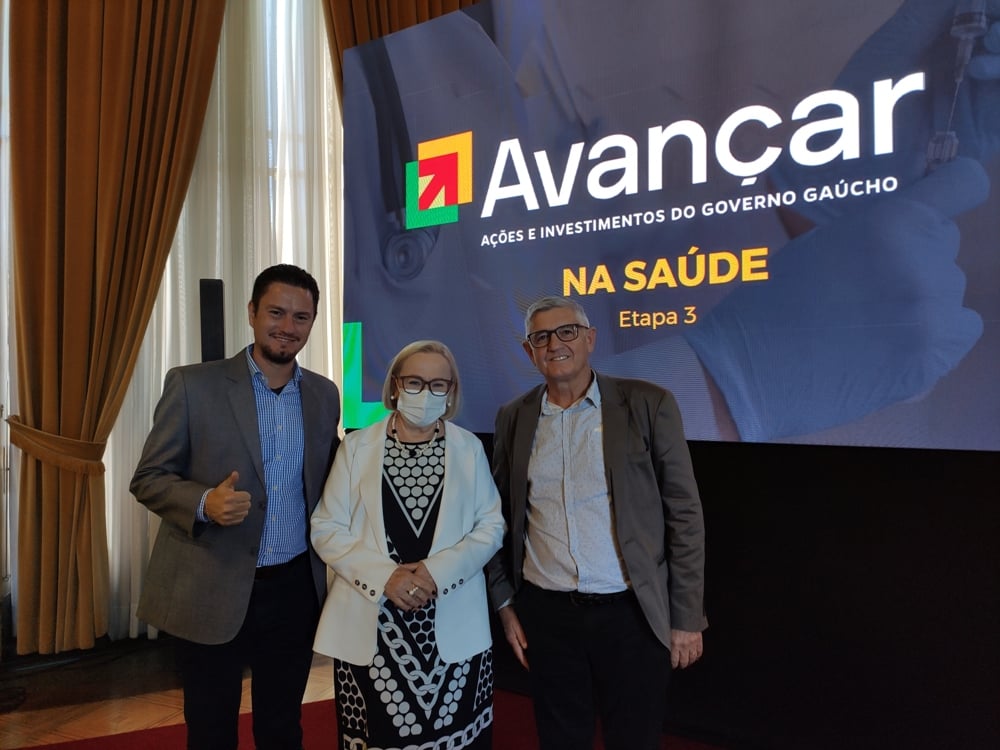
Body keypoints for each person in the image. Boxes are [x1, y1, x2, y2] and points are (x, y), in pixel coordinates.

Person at [130, 264, 342, 750]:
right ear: (251, 312)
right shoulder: (192, 385)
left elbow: (329, 478)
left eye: (302, 317)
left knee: (282, 727)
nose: (288, 326)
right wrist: (204, 502)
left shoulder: (323, 394)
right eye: (276, 312)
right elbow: (148, 477)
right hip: (212, 584)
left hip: (294, 590)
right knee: (210, 730)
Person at [486, 295, 708, 750]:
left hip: (631, 615)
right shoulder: (513, 417)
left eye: (566, 332)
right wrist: (506, 604)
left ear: (590, 339)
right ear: (529, 351)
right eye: (541, 337)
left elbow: (684, 514)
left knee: (634, 738)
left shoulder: (648, 403)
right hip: (547, 616)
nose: (555, 344)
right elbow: (497, 518)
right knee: (560, 739)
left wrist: (687, 616)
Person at [311, 340, 505, 750]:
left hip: (453, 625)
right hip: (373, 626)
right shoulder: (356, 447)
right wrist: (385, 577)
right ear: (395, 386)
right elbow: (326, 527)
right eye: (415, 382)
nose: (425, 393)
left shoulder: (469, 448)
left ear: (451, 392)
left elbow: (491, 526)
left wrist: (437, 573)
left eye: (438, 384)